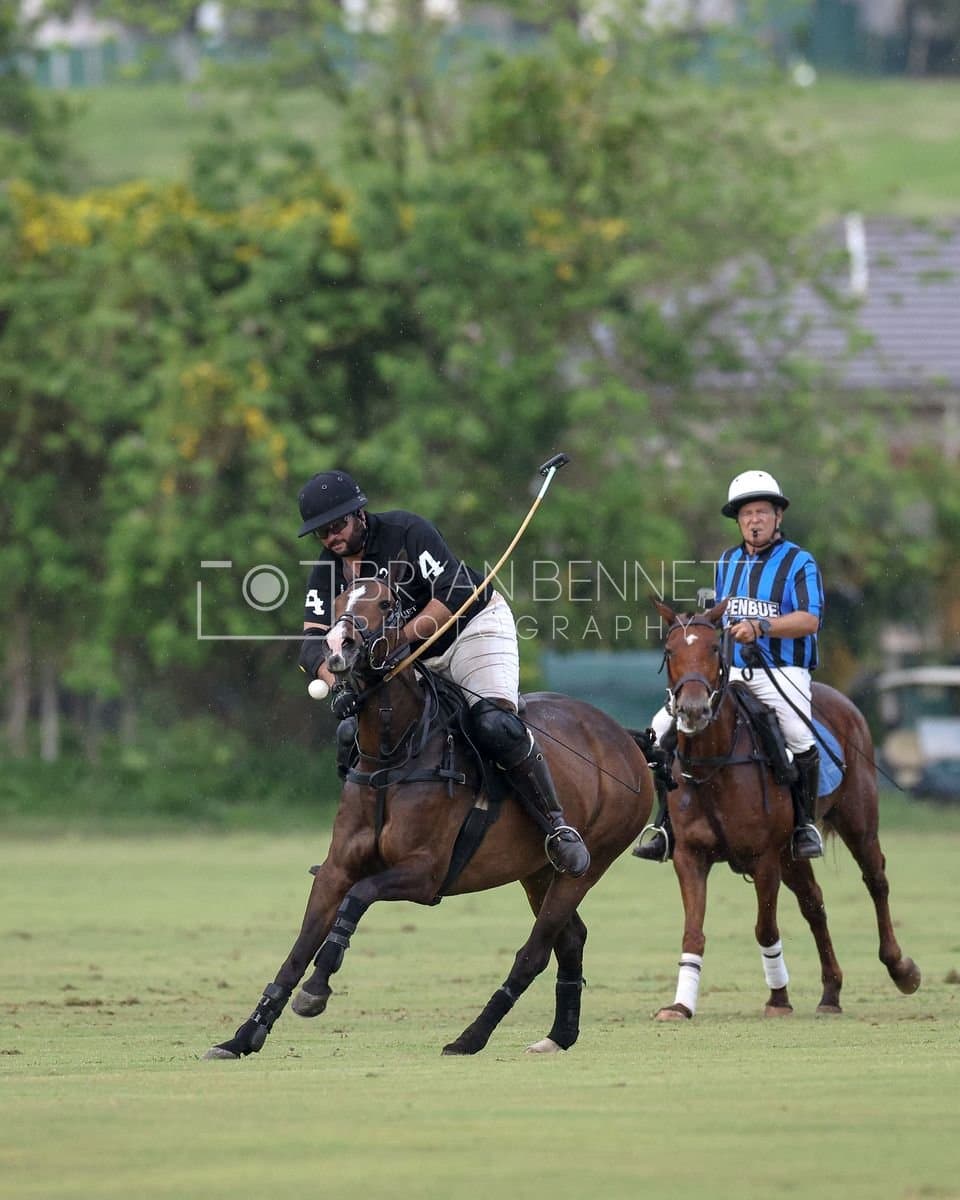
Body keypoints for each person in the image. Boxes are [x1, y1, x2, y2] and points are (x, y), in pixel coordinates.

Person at [295, 469, 590, 877]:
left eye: (337, 525)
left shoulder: (407, 531)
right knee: (353, 733)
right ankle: (356, 843)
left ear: (359, 514)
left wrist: (399, 637)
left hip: (470, 629)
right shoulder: (328, 571)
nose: (331, 537)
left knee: (495, 725)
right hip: (408, 655)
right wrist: (334, 682)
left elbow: (451, 592)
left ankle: (556, 826)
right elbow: (311, 640)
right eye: (321, 533)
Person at [634, 469, 825, 863]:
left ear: (778, 517)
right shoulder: (727, 562)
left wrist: (762, 627)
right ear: (738, 521)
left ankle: (805, 825)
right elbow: (719, 618)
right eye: (746, 514)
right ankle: (665, 824)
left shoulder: (799, 563)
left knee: (799, 739)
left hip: (782, 672)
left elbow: (810, 620)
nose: (753, 520)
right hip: (730, 673)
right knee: (660, 730)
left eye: (761, 512)